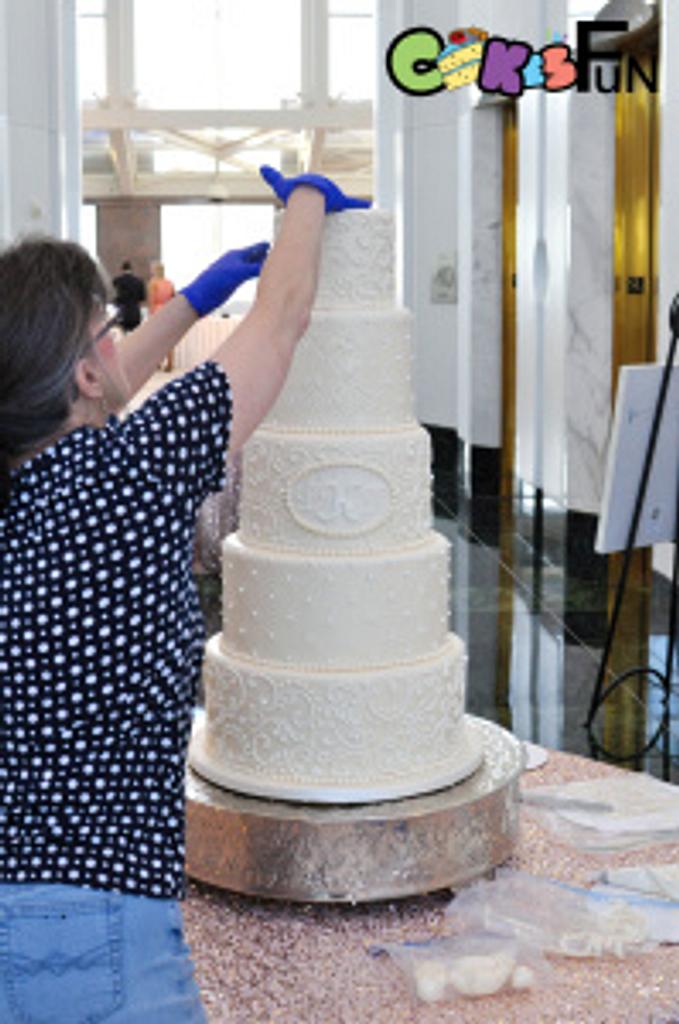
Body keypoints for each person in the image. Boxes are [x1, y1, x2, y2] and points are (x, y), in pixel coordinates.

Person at [0, 165, 369, 1023]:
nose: (118, 341)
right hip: (95, 927)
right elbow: (281, 323)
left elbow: (70, 391)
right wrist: (306, 202)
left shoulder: (43, 479)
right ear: (85, 374)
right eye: (107, 330)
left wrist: (196, 300)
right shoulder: (132, 477)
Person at [112, 259, 147, 331]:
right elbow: (143, 298)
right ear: (131, 269)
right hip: (135, 313)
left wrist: (116, 302)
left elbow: (117, 297)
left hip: (123, 312)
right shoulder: (139, 281)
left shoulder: (117, 281)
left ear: (122, 270)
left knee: (124, 335)